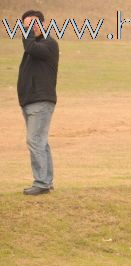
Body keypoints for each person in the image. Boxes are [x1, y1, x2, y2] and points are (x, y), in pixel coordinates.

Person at [17, 9, 59, 196]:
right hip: (30, 101)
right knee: (41, 142)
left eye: (32, 23)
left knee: (34, 140)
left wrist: (26, 32)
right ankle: (46, 181)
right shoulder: (33, 46)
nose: (29, 27)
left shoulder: (48, 43)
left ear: (42, 23)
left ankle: (41, 182)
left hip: (40, 100)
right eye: (25, 24)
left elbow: (31, 48)